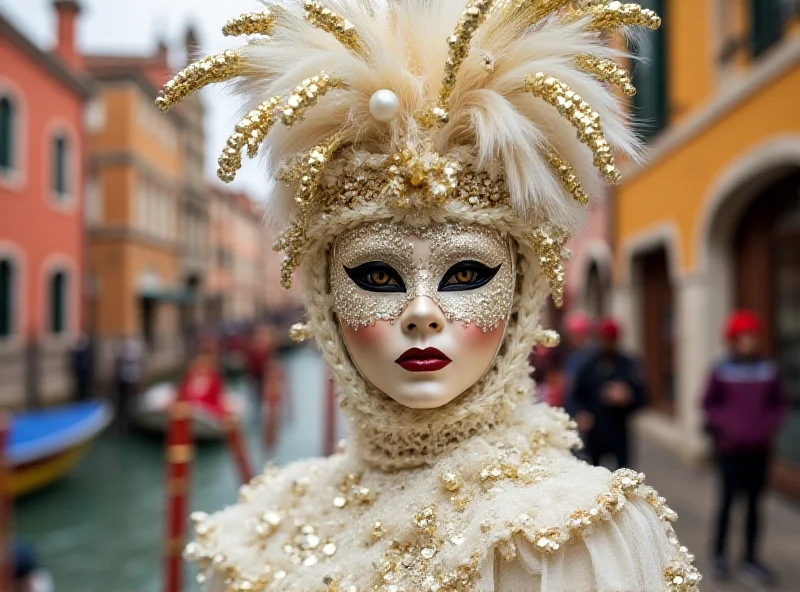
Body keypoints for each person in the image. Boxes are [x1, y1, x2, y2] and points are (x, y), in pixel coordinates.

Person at [162, 2, 701, 590]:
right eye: (378, 276)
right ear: (325, 299)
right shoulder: (263, 529)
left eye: (466, 274)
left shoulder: (571, 540)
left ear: (522, 292)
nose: (421, 314)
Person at [703, 310, 787, 585]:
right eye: (744, 337)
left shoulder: (768, 369)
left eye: (753, 336)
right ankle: (719, 556)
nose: (749, 341)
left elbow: (779, 404)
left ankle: (750, 559)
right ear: (733, 340)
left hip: (759, 449)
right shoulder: (722, 369)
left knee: (754, 505)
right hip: (730, 450)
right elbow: (708, 404)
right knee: (727, 503)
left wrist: (767, 426)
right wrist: (726, 425)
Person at [567, 318, 647, 469]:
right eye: (605, 339)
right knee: (593, 471)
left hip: (619, 431)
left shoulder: (628, 364)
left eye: (611, 340)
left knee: (623, 474)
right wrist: (581, 413)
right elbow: (574, 395)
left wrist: (627, 398)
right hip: (595, 431)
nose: (608, 343)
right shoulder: (588, 364)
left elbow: (643, 397)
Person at [178, 347, 226, 419]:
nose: (203, 365)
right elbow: (181, 396)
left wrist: (196, 408)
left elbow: (217, 403)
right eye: (201, 361)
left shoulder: (215, 380)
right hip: (187, 414)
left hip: (206, 415)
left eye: (206, 362)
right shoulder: (189, 377)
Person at [113, 336, 144, 432]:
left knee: (129, 400)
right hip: (125, 381)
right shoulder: (124, 356)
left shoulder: (131, 356)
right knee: (124, 401)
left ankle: (129, 418)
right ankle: (125, 419)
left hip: (130, 381)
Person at [69, 332, 94, 401]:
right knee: (79, 388)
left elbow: (89, 361)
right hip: (80, 372)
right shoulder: (77, 351)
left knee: (85, 387)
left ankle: (84, 398)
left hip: (85, 372)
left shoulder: (86, 350)